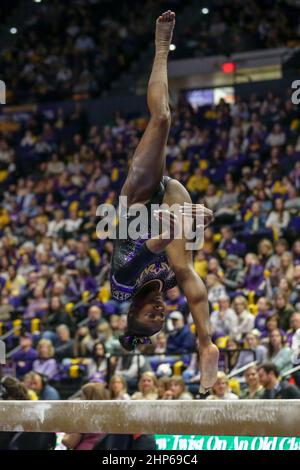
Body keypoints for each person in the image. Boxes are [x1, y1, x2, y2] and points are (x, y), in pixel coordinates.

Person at [110, 11, 219, 393]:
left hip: (137, 202)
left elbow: (151, 244)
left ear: (134, 310)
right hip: (170, 205)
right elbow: (179, 247)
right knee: (184, 267)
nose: (160, 310)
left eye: (151, 314)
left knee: (162, 118)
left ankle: (161, 46)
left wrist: (187, 221)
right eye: (162, 317)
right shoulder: (169, 282)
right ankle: (207, 345)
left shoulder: (122, 285)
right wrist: (191, 221)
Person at [62, 383, 109, 450]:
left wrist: (65, 434)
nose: (81, 398)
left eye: (82, 396)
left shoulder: (84, 415)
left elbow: (69, 442)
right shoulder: (108, 412)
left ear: (88, 397)